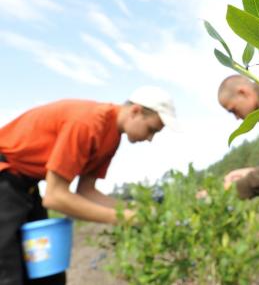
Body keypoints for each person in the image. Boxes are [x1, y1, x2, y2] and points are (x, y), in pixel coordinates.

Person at [0, 86, 177, 285]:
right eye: (151, 129)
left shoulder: (111, 138)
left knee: (47, 271)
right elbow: (55, 197)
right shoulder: (88, 122)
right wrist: (124, 219)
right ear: (135, 111)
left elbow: (86, 192)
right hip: (4, 176)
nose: (150, 138)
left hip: (26, 186)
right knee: (9, 271)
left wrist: (135, 210)